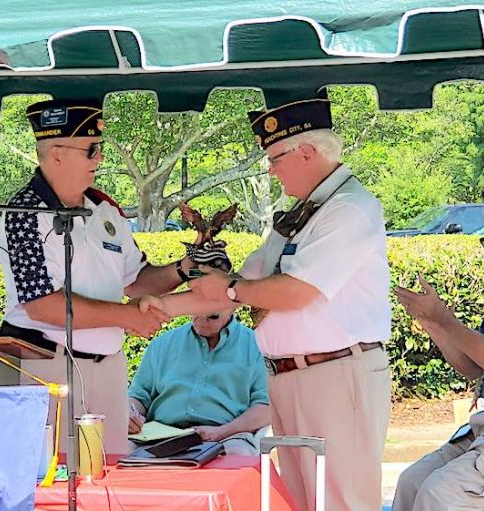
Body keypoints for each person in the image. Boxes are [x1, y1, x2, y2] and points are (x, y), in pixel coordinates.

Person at [141, 92, 392, 511]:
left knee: (341, 501)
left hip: (335, 373)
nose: (271, 170)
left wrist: (231, 290)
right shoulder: (304, 212)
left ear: (307, 151)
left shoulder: (349, 209)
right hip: (294, 376)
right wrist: (165, 308)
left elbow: (294, 291)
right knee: (299, 500)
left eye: (275, 158)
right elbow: (247, 280)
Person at [0, 99, 201, 455]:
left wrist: (187, 267)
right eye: (91, 150)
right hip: (48, 367)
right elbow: (41, 306)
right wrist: (128, 317)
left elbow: (135, 279)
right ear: (57, 154)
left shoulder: (105, 209)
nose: (100, 159)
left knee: (111, 480)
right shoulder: (23, 212)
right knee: (54, 483)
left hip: (108, 368)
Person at [391, 192, 484, 511]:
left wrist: (444, 318)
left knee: (440, 496)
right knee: (412, 482)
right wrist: (434, 325)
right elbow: (473, 367)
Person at [127, 307, 270, 455]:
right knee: (118, 451)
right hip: (160, 436)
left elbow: (265, 407)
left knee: (237, 457)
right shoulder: (163, 344)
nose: (201, 321)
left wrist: (222, 432)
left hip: (227, 437)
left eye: (212, 316)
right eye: (195, 313)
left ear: (232, 307)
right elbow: (138, 396)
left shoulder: (256, 346)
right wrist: (130, 414)